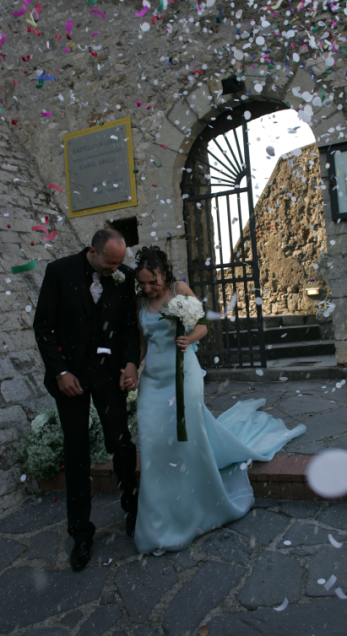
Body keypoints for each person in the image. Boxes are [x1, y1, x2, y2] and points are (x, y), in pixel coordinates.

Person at [131, 245, 307, 556]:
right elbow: (143, 344)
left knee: (184, 442)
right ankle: (159, 520)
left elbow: (204, 323)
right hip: (152, 384)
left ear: (164, 274)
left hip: (182, 378)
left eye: (152, 281)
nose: (147, 288)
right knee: (154, 447)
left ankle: (196, 506)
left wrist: (189, 338)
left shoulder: (179, 289)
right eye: (142, 282)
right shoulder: (140, 302)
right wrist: (131, 367)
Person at [33, 229, 140, 572]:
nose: (115, 268)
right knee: (76, 449)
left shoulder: (122, 278)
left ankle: (133, 507)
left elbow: (127, 327)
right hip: (71, 378)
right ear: (92, 251)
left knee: (120, 441)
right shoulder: (59, 272)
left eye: (119, 262)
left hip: (109, 374)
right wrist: (61, 372)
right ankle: (81, 534)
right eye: (110, 262)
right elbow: (44, 327)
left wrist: (130, 362)